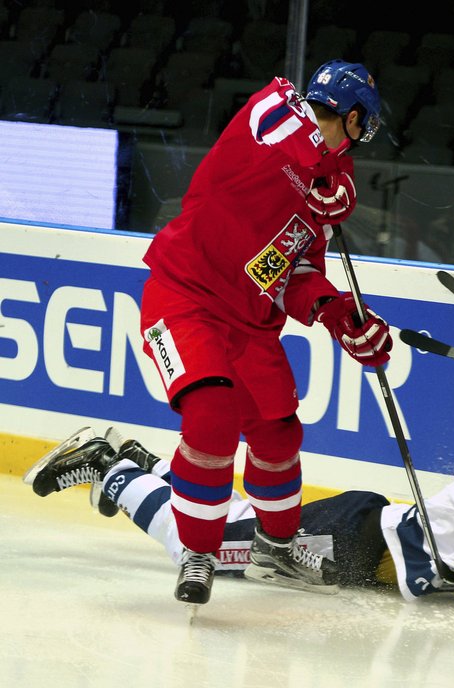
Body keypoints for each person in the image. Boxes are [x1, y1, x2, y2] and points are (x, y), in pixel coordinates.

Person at [138, 59, 393, 605]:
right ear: (351, 117)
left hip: (251, 327)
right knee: (212, 414)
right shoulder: (272, 109)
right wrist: (323, 169)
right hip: (184, 297)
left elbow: (296, 269)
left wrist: (335, 311)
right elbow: (282, 122)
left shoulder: (330, 184)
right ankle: (199, 551)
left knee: (279, 436)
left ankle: (276, 545)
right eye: (360, 127)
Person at [23, 427, 454, 622]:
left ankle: (152, 467)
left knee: (240, 525)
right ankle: (110, 468)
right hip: (349, 546)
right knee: (202, 547)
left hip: (359, 537)